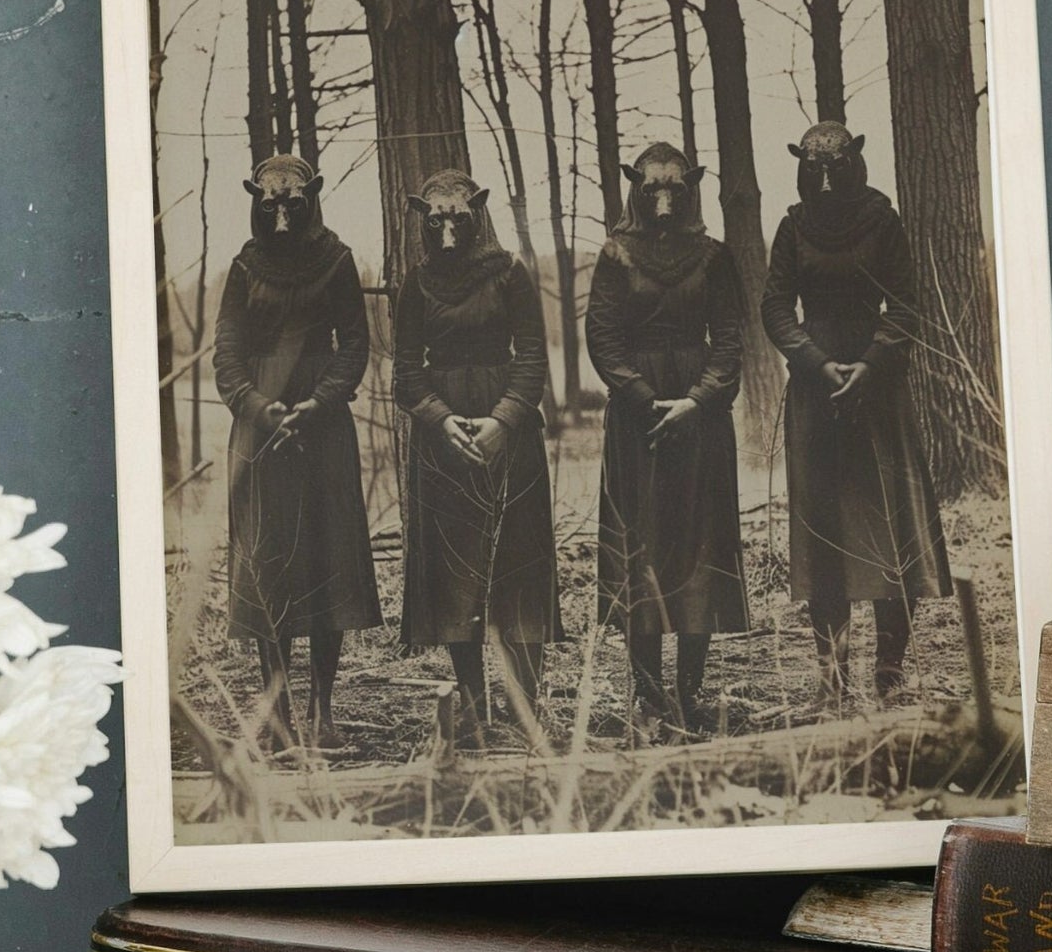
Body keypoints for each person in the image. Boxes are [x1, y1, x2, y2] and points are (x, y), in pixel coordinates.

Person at [759, 122, 952, 710]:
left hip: (878, 390)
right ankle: (832, 676)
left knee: (889, 524)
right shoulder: (793, 226)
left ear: (854, 164)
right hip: (818, 394)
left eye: (833, 170)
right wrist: (816, 363)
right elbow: (775, 306)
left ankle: (889, 671)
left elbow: (906, 302)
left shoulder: (882, 220)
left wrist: (871, 362)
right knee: (826, 533)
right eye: (811, 170)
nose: (821, 182)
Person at [213, 154, 380, 749]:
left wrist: (321, 403)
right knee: (269, 564)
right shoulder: (244, 266)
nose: (282, 217)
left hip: (322, 430)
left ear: (311, 199)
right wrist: (259, 408)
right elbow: (226, 358)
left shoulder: (335, 261)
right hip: (260, 432)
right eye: (271, 205)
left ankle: (323, 710)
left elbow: (355, 344)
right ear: (257, 203)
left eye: (293, 204)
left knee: (327, 561)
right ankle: (277, 711)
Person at [585, 142, 746, 738]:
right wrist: (640, 396)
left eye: (673, 188)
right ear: (635, 188)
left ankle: (690, 692)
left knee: (698, 546)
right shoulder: (615, 255)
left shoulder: (713, 256)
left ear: (689, 188)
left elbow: (729, 339)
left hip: (699, 420)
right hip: (638, 422)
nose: (661, 200)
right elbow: (602, 338)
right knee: (641, 550)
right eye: (650, 187)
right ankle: (648, 696)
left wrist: (698, 401)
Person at [393, 169, 559, 749]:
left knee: (518, 559)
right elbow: (405, 369)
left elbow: (534, 355)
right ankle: (471, 704)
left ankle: (526, 705)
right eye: (433, 220)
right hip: (443, 439)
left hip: (505, 432)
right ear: (422, 219)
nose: (445, 231)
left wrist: (505, 419)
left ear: (476, 215)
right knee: (454, 570)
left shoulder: (509, 273)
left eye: (456, 218)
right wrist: (438, 419)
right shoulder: (416, 283)